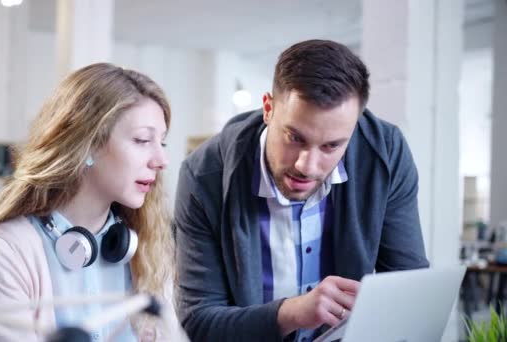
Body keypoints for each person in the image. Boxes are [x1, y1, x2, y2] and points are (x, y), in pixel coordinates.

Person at [174, 39, 429, 341]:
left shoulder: (386, 153)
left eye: (332, 145)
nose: (307, 165)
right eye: (295, 137)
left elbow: (409, 290)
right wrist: (292, 313)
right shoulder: (204, 176)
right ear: (268, 108)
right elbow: (200, 322)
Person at [0, 63, 180, 341]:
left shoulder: (147, 252)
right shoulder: (5, 255)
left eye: (162, 143)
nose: (161, 160)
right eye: (142, 140)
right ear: (88, 144)